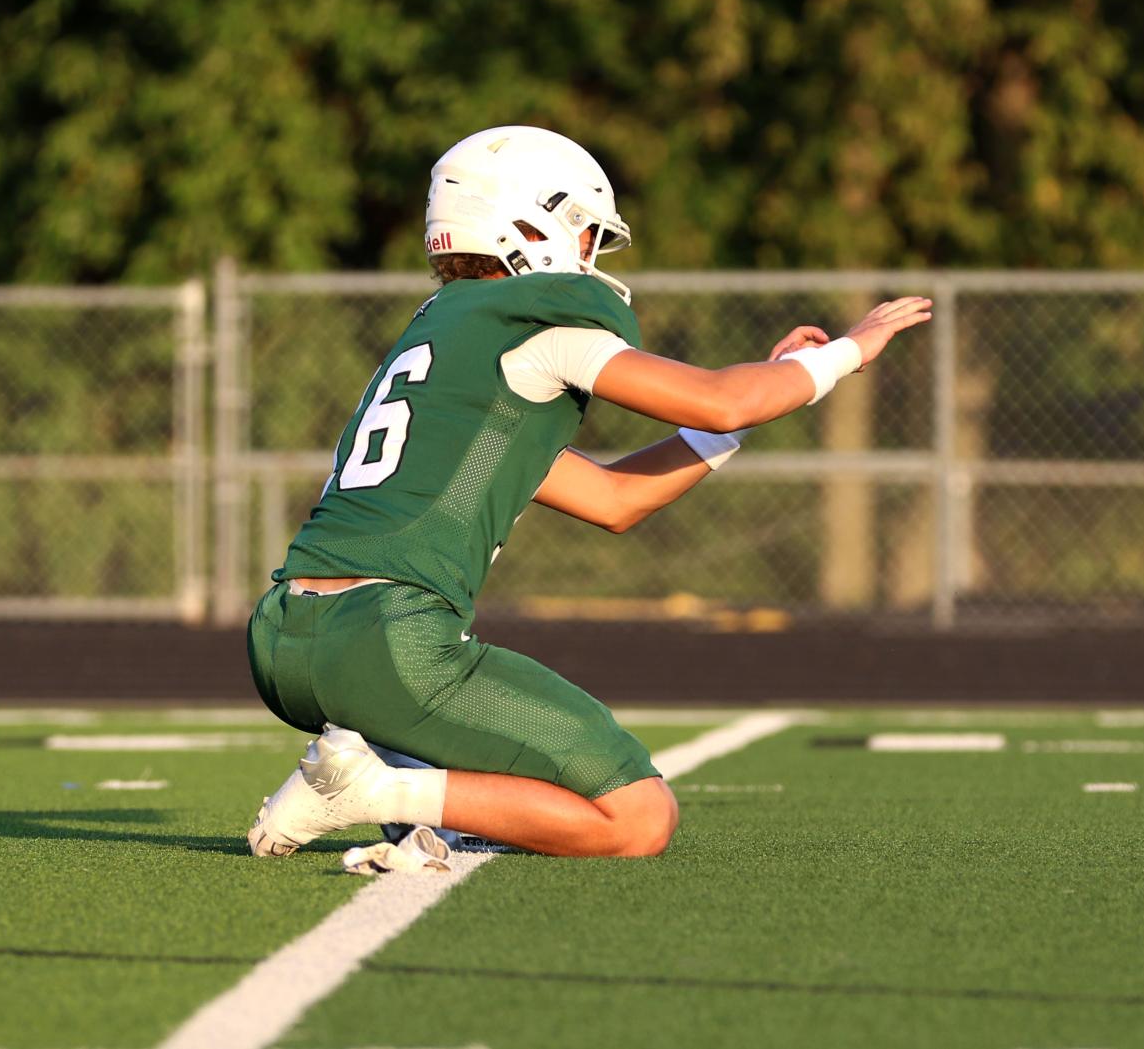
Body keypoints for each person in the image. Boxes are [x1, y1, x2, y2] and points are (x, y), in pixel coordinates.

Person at [244, 125, 930, 859]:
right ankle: (376, 789)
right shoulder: (536, 328)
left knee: (485, 787)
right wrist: (843, 353)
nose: (587, 255)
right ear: (530, 222)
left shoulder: (445, 344)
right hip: (390, 639)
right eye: (582, 232)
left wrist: (752, 409)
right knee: (636, 816)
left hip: (284, 639)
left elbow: (614, 498)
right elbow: (719, 400)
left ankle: (399, 783)